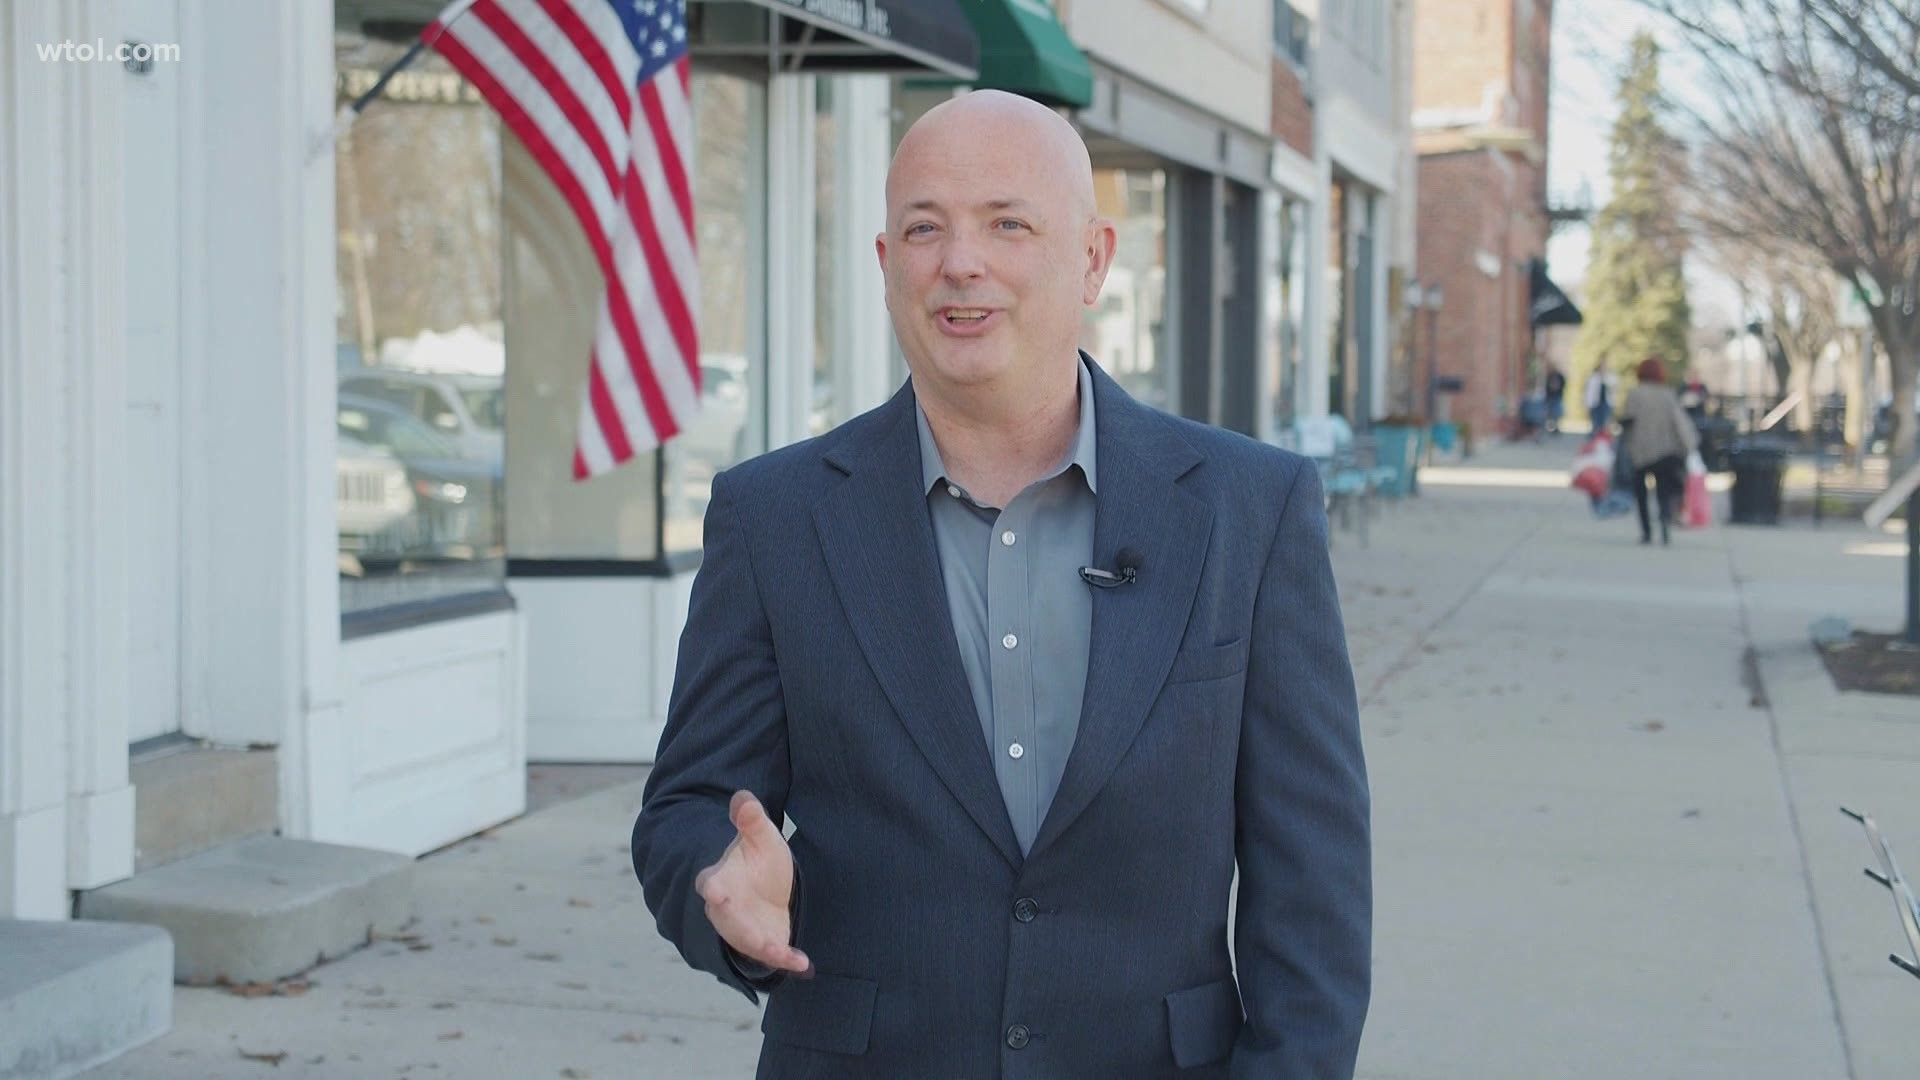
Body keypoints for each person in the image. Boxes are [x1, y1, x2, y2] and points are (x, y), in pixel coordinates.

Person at [631, 91, 1371, 1078]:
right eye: (924, 228)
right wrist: (716, 885)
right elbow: (688, 809)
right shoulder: (775, 517)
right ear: (888, 267)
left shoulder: (1251, 509)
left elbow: (1313, 891)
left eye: (1008, 224)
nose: (960, 262)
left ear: (1095, 260)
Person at [1618, 356, 1699, 546]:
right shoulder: (1667, 395)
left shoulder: (1635, 394)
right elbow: (1680, 423)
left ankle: (1646, 531)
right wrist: (1689, 446)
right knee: (1663, 491)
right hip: (1665, 451)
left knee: (1641, 493)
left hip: (1639, 451)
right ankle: (1664, 522)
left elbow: (1627, 420)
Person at [1585, 364, 1620, 433]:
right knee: (1595, 424)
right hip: (1595, 404)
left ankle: (1604, 440)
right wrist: (1588, 404)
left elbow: (1614, 389)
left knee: (1606, 424)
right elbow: (1589, 392)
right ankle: (1594, 440)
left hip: (1607, 404)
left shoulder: (1611, 378)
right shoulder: (1594, 378)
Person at [1544, 365, 1567, 435]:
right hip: (1550, 397)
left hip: (1557, 396)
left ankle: (1556, 427)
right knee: (1549, 413)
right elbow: (1546, 385)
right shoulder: (1549, 376)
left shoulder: (1560, 376)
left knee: (1557, 413)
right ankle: (1551, 428)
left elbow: (1564, 384)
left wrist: (1558, 388)